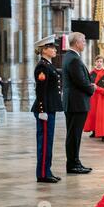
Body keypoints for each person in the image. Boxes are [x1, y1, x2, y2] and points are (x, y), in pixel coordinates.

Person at [31, 35, 63, 183]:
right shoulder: (42, 66)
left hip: (50, 108)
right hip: (45, 109)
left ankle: (47, 170)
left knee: (48, 141)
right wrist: (42, 110)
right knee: (44, 142)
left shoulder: (48, 65)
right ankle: (43, 173)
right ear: (44, 50)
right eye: (52, 47)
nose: (55, 50)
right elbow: (41, 90)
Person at [62, 32, 95, 174]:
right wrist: (92, 88)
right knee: (74, 135)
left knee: (73, 135)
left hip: (74, 102)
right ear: (76, 43)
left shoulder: (70, 57)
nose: (85, 43)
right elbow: (81, 82)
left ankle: (75, 162)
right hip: (76, 103)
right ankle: (73, 164)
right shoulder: (74, 59)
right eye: (83, 41)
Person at [84, 56, 104, 138]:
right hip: (94, 95)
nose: (99, 63)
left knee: (101, 113)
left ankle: (101, 130)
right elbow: (88, 83)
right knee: (93, 113)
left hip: (102, 95)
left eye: (101, 61)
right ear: (95, 62)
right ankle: (94, 130)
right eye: (98, 61)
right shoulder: (91, 73)